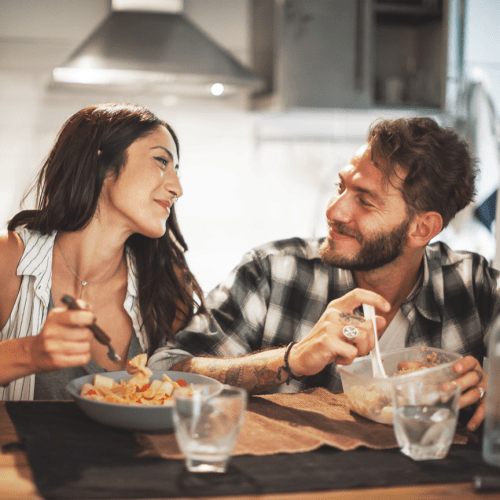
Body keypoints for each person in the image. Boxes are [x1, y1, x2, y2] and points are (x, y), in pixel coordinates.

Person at [149, 117, 495, 432]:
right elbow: (164, 370)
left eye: (365, 201)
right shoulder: (274, 271)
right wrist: (291, 360)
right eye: (341, 186)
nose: (335, 209)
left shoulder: (472, 284)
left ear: (422, 228)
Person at [0, 103, 204, 400]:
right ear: (102, 164)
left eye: (176, 170)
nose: (177, 188)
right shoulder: (8, 259)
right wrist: (29, 352)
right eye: (161, 161)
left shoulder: (165, 283)